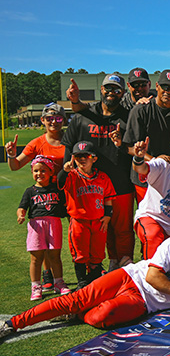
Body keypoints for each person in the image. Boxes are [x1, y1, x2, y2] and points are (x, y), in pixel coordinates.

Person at [1, 214, 170, 337]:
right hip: (130, 276)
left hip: (145, 302)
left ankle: (77, 313)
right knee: (73, 299)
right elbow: (152, 276)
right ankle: (13, 324)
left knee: (100, 317)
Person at [63, 74, 134, 271]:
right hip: (90, 187)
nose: (112, 93)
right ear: (101, 90)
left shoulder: (128, 117)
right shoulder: (84, 116)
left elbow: (136, 146)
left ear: (123, 93)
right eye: (108, 89)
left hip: (121, 183)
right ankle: (106, 263)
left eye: (117, 90)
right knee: (99, 229)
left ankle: (126, 264)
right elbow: (69, 147)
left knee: (122, 229)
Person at [6, 102, 67, 290]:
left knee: (72, 233)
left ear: (63, 120)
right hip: (46, 195)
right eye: (49, 118)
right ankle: (47, 273)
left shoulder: (70, 139)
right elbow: (16, 165)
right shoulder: (37, 143)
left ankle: (87, 268)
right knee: (45, 235)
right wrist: (11, 155)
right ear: (43, 120)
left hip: (69, 191)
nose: (54, 122)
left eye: (57, 118)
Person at [123, 69, 170, 203]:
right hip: (145, 177)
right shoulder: (140, 110)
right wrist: (155, 160)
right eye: (164, 87)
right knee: (147, 218)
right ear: (156, 87)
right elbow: (129, 147)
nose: (167, 91)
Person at [58, 141, 116, 289]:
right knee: (80, 254)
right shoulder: (72, 176)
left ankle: (94, 280)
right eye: (78, 156)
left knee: (97, 253)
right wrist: (64, 171)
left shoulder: (103, 177)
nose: (82, 159)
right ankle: (82, 283)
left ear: (94, 158)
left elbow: (108, 198)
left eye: (86, 155)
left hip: (98, 221)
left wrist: (108, 215)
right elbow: (60, 182)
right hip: (79, 222)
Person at [17, 156, 69, 300]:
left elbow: (65, 206)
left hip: (54, 224)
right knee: (36, 258)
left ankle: (58, 282)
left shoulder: (57, 190)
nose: (39, 174)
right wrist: (21, 214)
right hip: (36, 225)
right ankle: (36, 286)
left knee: (55, 256)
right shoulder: (30, 191)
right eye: (36, 171)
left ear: (51, 172)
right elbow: (22, 207)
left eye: (43, 170)